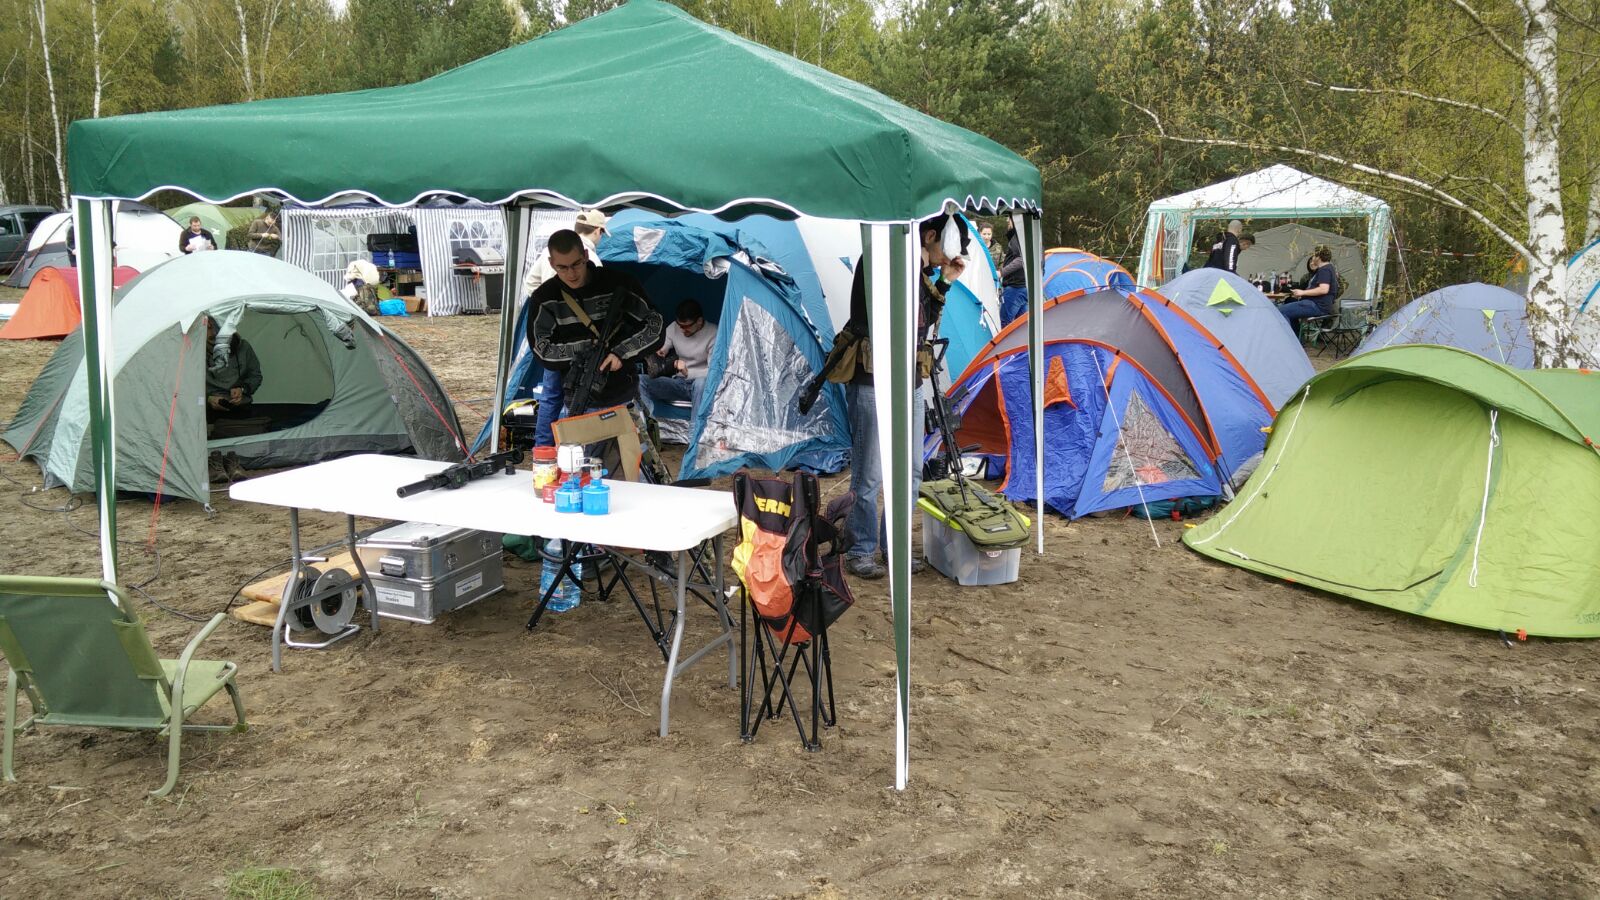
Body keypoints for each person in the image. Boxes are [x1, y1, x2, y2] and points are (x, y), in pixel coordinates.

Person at [840, 214, 967, 580]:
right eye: (949, 247)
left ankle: (893, 547)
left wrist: (944, 281)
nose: (952, 255)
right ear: (930, 236)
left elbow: (923, 325)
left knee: (910, 471)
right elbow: (898, 317)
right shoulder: (883, 259)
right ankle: (861, 549)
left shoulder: (920, 272)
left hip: (908, 380)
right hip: (872, 378)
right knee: (870, 473)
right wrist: (933, 277)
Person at [528, 228, 662, 419]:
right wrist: (584, 349)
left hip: (624, 397)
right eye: (562, 267)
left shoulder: (618, 283)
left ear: (585, 255)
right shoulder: (545, 298)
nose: (571, 273)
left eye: (576, 264)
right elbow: (541, 349)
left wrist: (621, 352)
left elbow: (655, 324)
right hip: (578, 399)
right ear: (551, 263)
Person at [525, 210, 607, 447]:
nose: (571, 273)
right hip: (582, 344)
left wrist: (548, 311)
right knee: (582, 395)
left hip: (555, 340)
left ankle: (544, 448)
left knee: (551, 396)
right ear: (598, 231)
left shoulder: (547, 254)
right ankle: (576, 449)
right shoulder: (591, 260)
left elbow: (530, 284)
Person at [204, 315, 263, 482]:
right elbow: (185, 384)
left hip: (238, 405)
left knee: (239, 424)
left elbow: (255, 376)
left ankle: (231, 461)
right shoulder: (192, 350)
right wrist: (208, 398)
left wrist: (243, 389)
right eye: (208, 327)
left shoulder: (243, 347)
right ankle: (214, 461)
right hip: (207, 407)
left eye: (217, 327)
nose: (213, 333)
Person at [640, 298, 717, 420]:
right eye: (679, 325)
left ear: (699, 321)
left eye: (686, 326)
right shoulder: (674, 327)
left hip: (701, 386)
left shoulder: (714, 333)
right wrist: (661, 351)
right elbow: (664, 345)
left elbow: (714, 371)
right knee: (640, 380)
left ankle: (696, 428)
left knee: (700, 383)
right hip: (679, 383)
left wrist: (688, 372)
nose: (682, 330)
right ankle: (650, 422)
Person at [1277, 246, 1338, 337]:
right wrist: (1301, 294)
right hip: (1317, 304)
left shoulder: (1324, 269)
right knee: (1290, 313)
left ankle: (1286, 340)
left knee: (1280, 311)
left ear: (1318, 257)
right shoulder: (1327, 268)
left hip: (1317, 306)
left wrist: (1302, 293)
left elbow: (1323, 289)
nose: (1312, 258)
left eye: (1313, 256)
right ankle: (1296, 339)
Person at [998, 223, 1027, 326]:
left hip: (1015, 287)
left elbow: (1021, 259)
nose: (1007, 221)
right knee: (1022, 325)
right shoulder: (1032, 235)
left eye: (1009, 218)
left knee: (1005, 323)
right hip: (1026, 287)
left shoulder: (1019, 236)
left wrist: (1001, 273)